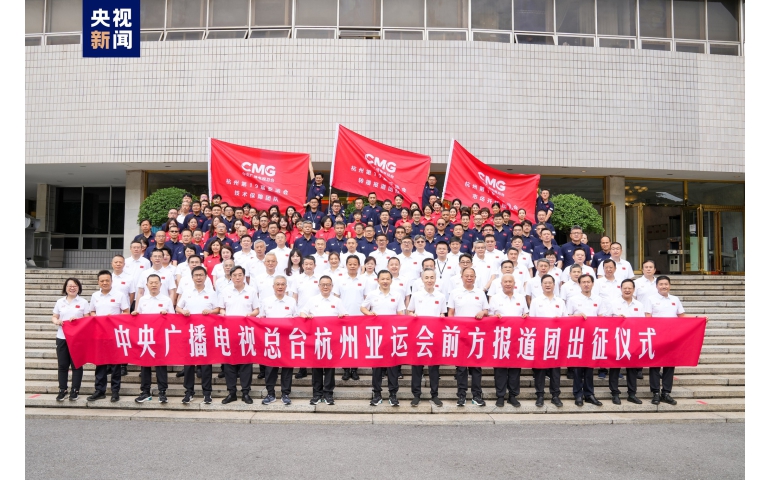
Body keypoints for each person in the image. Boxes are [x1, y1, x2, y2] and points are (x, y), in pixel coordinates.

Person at [644, 276, 691, 406]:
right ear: (656, 286)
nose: (664, 286)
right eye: (661, 284)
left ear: (669, 286)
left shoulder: (675, 299)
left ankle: (666, 392)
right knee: (655, 365)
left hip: (672, 338)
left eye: (666, 284)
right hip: (656, 337)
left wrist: (699, 318)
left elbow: (681, 316)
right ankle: (655, 392)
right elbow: (648, 318)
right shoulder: (651, 299)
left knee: (669, 365)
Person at [361, 270, 406, 406]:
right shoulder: (372, 294)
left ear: (391, 281)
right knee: (377, 367)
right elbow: (362, 308)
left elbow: (400, 313)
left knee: (393, 366)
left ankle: (393, 394)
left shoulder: (397, 295)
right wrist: (369, 313)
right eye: (382, 279)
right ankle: (377, 394)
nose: (385, 281)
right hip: (376, 336)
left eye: (387, 279)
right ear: (378, 280)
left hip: (392, 336)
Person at [300, 275, 348, 405]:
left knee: (329, 368)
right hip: (315, 340)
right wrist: (306, 316)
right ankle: (317, 394)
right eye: (323, 284)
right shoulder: (313, 300)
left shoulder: (337, 301)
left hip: (331, 340)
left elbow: (346, 316)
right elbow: (302, 313)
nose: (325, 287)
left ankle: (328, 394)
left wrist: (341, 316)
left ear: (332, 286)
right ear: (319, 286)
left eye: (328, 284)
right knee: (316, 368)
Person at [175, 266, 219, 405]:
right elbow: (177, 307)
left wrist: (210, 311)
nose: (199, 277)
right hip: (189, 333)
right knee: (189, 364)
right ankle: (189, 392)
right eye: (196, 275)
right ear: (192, 277)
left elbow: (218, 309)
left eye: (201, 275)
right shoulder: (187, 292)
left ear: (206, 277)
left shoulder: (212, 293)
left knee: (206, 364)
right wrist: (183, 311)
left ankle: (207, 393)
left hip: (205, 333)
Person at [447, 267, 489, 407]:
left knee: (476, 367)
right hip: (460, 336)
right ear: (462, 277)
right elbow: (451, 313)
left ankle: (477, 395)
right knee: (461, 368)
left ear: (475, 278)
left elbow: (486, 310)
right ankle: (461, 395)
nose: (469, 278)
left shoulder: (480, 293)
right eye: (466, 275)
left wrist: (483, 312)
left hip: (477, 336)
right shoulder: (455, 292)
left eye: (472, 276)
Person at [86, 270, 130, 402]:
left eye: (107, 280)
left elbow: (126, 312)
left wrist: (115, 318)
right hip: (99, 334)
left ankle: (115, 391)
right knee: (100, 362)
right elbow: (91, 311)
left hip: (115, 334)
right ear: (98, 282)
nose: (104, 283)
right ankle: (100, 390)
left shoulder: (120, 295)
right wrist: (97, 317)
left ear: (112, 281)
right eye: (102, 281)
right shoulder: (95, 296)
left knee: (115, 363)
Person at [218, 266, 260, 404]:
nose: (237, 277)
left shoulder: (251, 291)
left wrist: (251, 314)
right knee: (229, 363)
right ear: (231, 277)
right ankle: (232, 392)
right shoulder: (225, 291)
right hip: (229, 333)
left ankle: (246, 392)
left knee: (246, 363)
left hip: (246, 332)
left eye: (240, 275)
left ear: (244, 276)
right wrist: (223, 313)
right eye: (235, 275)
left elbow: (257, 310)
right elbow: (221, 309)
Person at [406, 268, 446, 407]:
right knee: (417, 367)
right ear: (422, 279)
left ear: (435, 279)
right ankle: (416, 395)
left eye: (432, 277)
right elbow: (409, 311)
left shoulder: (440, 296)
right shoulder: (416, 295)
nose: (429, 280)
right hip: (419, 336)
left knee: (434, 367)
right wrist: (412, 315)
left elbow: (443, 313)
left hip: (434, 336)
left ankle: (434, 394)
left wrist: (442, 317)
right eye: (427, 277)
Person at [487, 273, 528, 407]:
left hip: (517, 338)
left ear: (514, 284)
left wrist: (525, 316)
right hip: (500, 338)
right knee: (500, 368)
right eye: (505, 282)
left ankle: (512, 395)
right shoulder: (495, 298)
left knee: (515, 368)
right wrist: (494, 317)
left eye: (510, 281)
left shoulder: (521, 298)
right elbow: (489, 317)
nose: (508, 284)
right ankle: (500, 395)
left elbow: (526, 314)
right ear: (501, 284)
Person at [132, 274, 174, 403]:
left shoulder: (166, 300)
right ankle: (145, 392)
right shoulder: (143, 300)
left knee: (161, 365)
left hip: (160, 337)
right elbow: (139, 317)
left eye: (156, 282)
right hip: (146, 337)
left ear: (161, 285)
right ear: (147, 285)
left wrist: (166, 315)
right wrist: (135, 314)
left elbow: (173, 318)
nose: (154, 285)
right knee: (145, 365)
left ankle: (162, 392)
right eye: (151, 283)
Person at [566, 274, 606, 406]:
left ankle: (589, 394)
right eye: (583, 282)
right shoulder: (573, 299)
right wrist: (576, 316)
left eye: (588, 282)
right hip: (577, 337)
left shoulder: (598, 299)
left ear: (593, 284)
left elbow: (602, 317)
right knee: (577, 368)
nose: (586, 284)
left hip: (592, 337)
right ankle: (578, 394)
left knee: (589, 367)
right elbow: (566, 317)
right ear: (579, 284)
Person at [260, 276, 299, 405]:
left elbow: (296, 319)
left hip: (287, 340)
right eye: (277, 284)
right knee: (270, 368)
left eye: (283, 284)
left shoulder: (291, 301)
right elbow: (261, 319)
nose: (280, 287)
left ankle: (285, 394)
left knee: (287, 367)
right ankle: (270, 393)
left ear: (286, 287)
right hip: (271, 340)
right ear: (273, 286)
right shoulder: (266, 301)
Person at [528, 275, 565, 408]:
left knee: (555, 369)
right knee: (540, 369)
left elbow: (565, 319)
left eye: (550, 283)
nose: (548, 285)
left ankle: (555, 395)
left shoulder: (560, 301)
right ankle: (540, 395)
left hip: (556, 339)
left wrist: (559, 320)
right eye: (545, 283)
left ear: (554, 285)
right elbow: (532, 320)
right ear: (541, 285)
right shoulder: (536, 301)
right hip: (540, 339)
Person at [607, 279, 645, 405]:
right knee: (615, 367)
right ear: (621, 289)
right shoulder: (613, 303)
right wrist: (616, 319)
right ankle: (615, 393)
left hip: (633, 339)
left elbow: (642, 323)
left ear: (634, 290)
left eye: (630, 288)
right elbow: (605, 321)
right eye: (625, 288)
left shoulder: (639, 305)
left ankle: (632, 394)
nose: (627, 290)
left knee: (632, 368)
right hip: (617, 339)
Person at [333, 255, 368, 381]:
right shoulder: (340, 279)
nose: (352, 266)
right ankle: (346, 369)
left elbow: (367, 299)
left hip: (359, 317)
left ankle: (354, 369)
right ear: (346, 265)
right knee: (345, 344)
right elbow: (336, 298)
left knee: (356, 344)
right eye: (350, 264)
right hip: (344, 316)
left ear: (359, 266)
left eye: (355, 264)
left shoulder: (364, 280)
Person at [52, 278, 87, 401]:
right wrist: (57, 321)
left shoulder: (83, 302)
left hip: (77, 339)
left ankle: (75, 390)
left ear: (79, 288)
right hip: (62, 337)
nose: (72, 288)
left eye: (75, 285)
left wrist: (78, 320)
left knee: (76, 364)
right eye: (70, 286)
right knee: (62, 365)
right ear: (65, 288)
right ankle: (62, 389)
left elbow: (87, 319)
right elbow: (54, 316)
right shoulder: (60, 301)